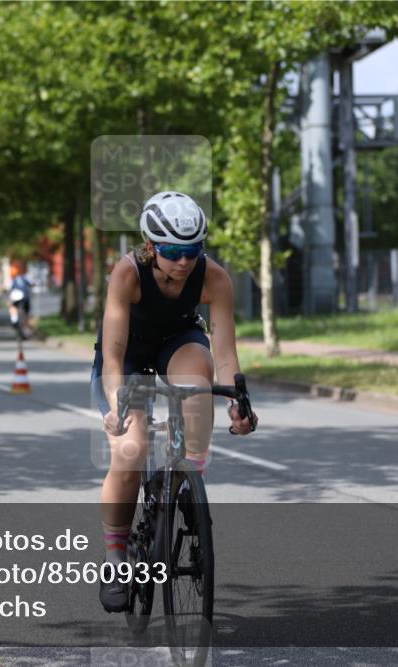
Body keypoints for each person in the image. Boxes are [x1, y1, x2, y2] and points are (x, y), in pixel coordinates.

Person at [92, 191, 258, 612]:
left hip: (177, 343)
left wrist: (238, 401)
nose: (183, 262)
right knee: (131, 449)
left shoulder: (214, 278)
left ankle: (187, 479)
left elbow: (224, 352)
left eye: (192, 251)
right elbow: (113, 356)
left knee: (197, 382)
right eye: (171, 252)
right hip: (127, 352)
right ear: (151, 247)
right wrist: (116, 404)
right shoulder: (126, 275)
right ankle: (115, 559)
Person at [8, 264, 33, 339]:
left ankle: (14, 319)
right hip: (25, 297)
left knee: (12, 306)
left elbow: (11, 289)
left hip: (16, 296)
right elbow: (32, 284)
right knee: (26, 313)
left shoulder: (14, 279)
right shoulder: (26, 278)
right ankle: (25, 327)